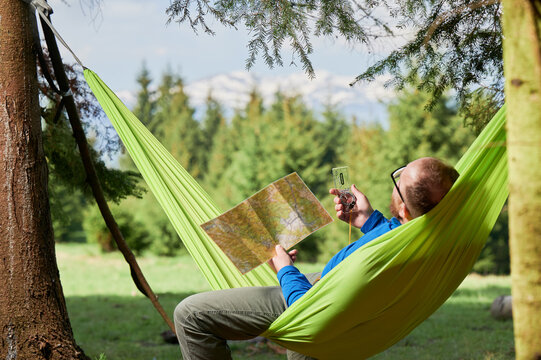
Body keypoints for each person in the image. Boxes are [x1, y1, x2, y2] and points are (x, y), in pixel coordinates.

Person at [174, 157, 459, 360]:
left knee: (190, 315)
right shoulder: (425, 235)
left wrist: (285, 269)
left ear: (406, 212)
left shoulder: (378, 263)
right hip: (338, 301)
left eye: (399, 180)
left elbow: (308, 313)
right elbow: (396, 235)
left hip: (318, 306)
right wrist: (369, 220)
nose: (395, 178)